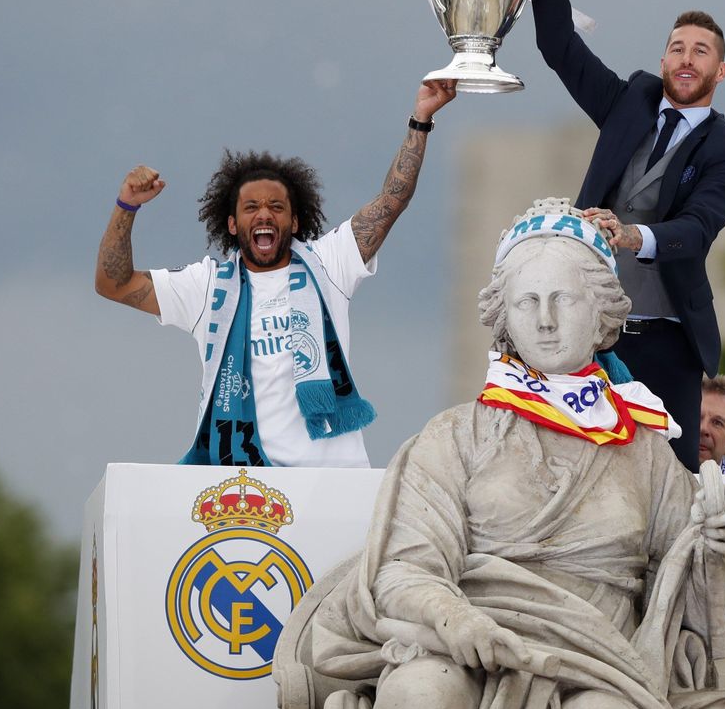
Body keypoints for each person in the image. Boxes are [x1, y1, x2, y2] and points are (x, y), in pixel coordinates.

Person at [275, 199, 725, 709]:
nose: (544, 320)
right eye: (527, 301)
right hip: (464, 648)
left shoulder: (646, 450)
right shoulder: (455, 436)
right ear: (505, 316)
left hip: (598, 664)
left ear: (602, 313)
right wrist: (455, 620)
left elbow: (707, 599)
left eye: (562, 299)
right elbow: (404, 569)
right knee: (419, 697)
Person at [93, 81, 457, 467]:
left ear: (295, 221)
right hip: (247, 492)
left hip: (333, 487)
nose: (264, 214)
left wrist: (421, 120)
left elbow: (392, 200)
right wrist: (126, 206)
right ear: (232, 224)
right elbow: (113, 284)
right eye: (251, 207)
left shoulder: (329, 263)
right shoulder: (206, 286)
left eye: (276, 207)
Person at [531, 0, 725, 473]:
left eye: (700, 51)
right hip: (591, 330)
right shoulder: (631, 99)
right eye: (676, 48)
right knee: (571, 472)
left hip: (666, 337)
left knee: (666, 486)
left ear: (719, 71)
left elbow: (697, 228)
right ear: (662, 62)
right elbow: (559, 46)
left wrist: (633, 236)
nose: (686, 58)